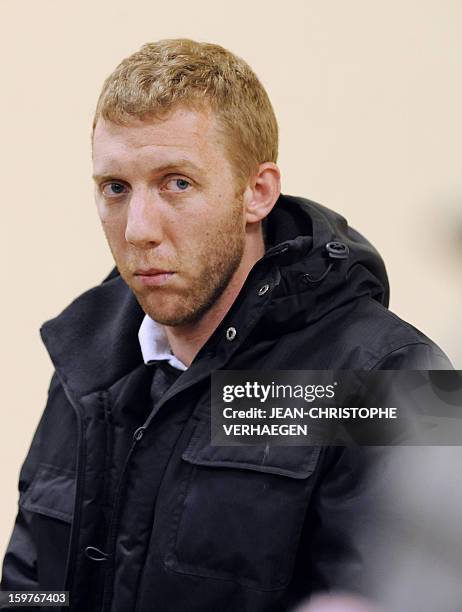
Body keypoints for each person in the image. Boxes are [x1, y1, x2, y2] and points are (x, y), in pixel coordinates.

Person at [0, 39, 452, 612]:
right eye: (116, 188)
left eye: (176, 183)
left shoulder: (398, 376)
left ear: (256, 193)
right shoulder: (87, 357)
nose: (138, 228)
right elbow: (30, 589)